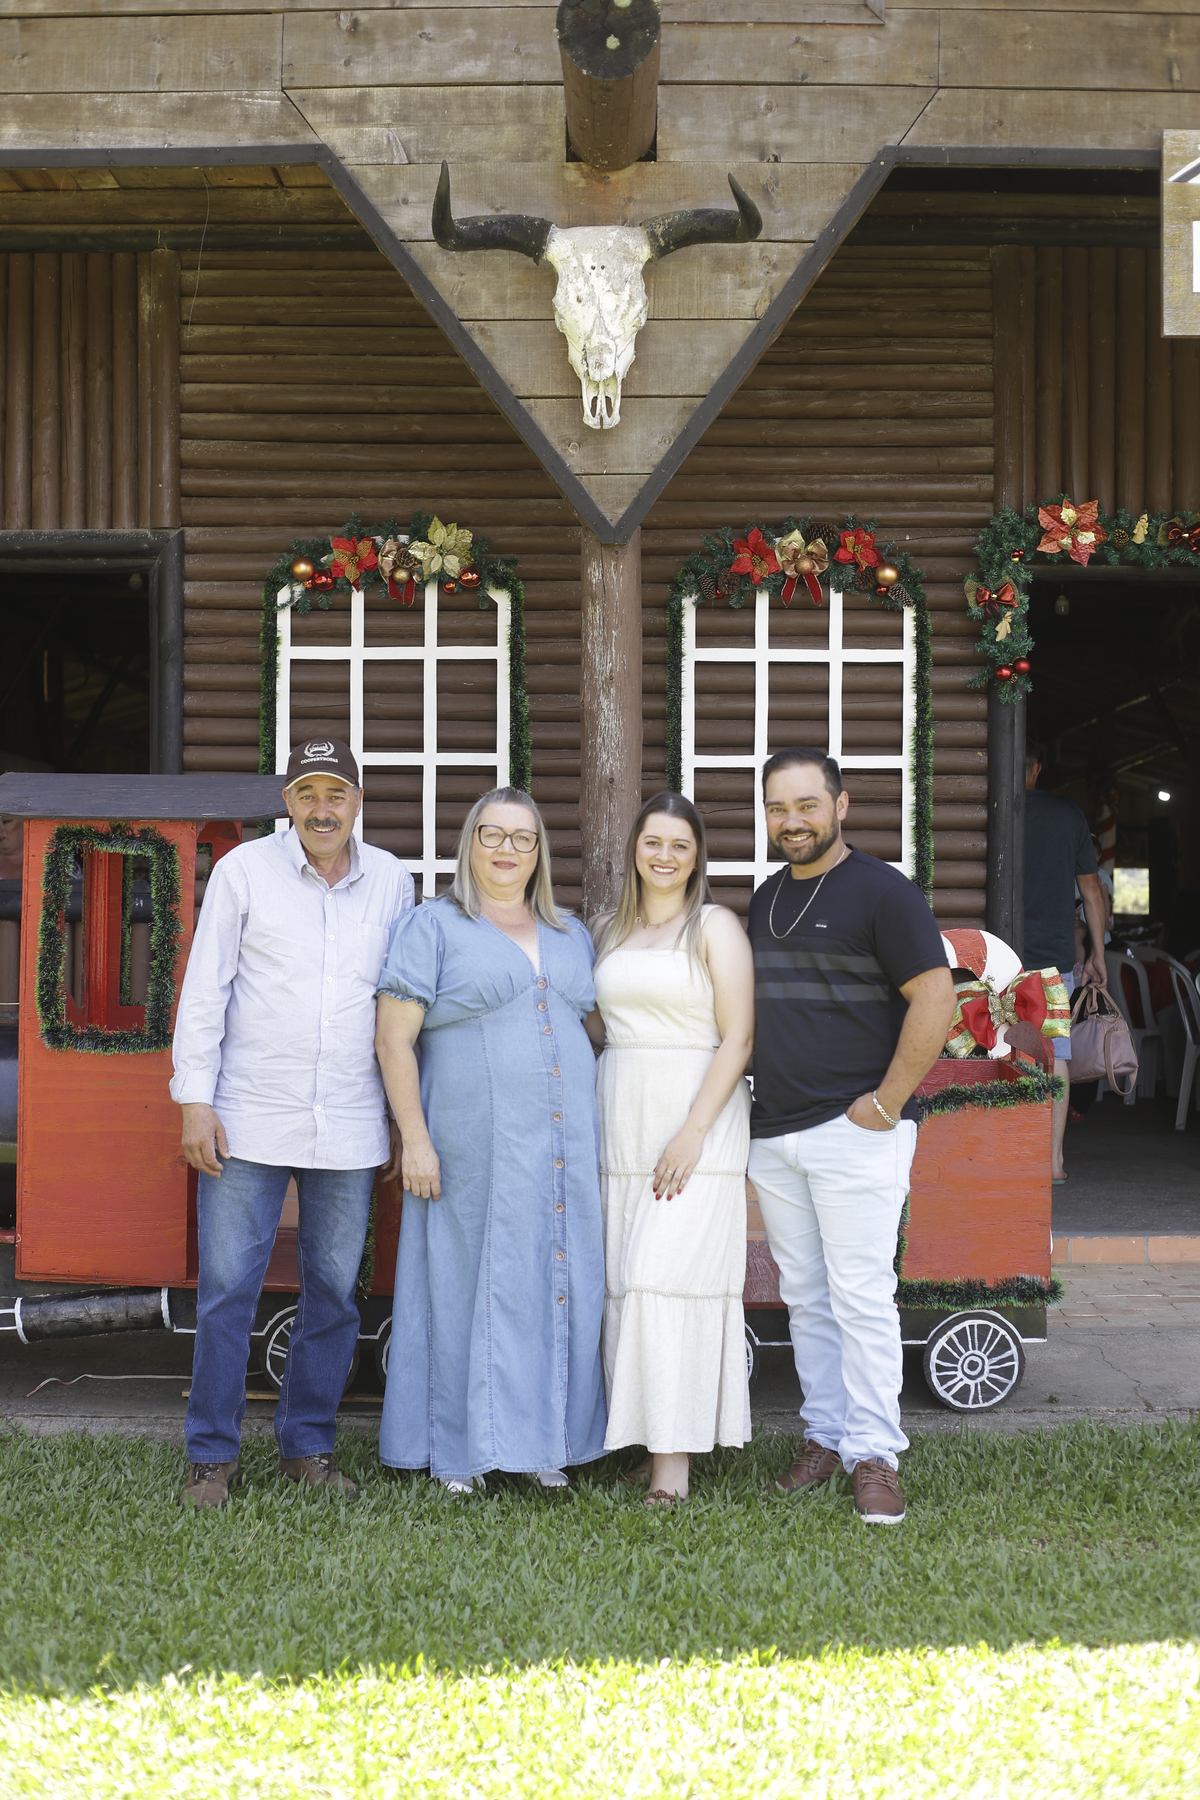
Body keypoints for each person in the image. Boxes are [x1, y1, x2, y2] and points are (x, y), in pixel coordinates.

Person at [171, 738, 413, 1510]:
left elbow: (400, 1007)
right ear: (288, 803)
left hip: (349, 1119)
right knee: (226, 1293)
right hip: (247, 1116)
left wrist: (402, 1115)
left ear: (358, 802)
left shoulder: (393, 881)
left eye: (335, 794)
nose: (322, 809)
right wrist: (194, 1099)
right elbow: (206, 989)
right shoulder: (245, 872)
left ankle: (307, 1444)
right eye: (307, 794)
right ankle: (211, 1457)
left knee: (334, 1293)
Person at [374, 787, 606, 1493]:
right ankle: (461, 1450)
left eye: (523, 838)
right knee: (462, 1283)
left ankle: (542, 1443)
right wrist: (415, 1138)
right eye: (493, 835)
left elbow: (590, 1029)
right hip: (468, 1143)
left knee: (552, 1278)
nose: (508, 849)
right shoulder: (432, 926)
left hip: (562, 1148)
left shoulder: (571, 933)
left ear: (540, 852)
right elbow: (392, 1040)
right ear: (469, 843)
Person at [746, 748, 955, 1525]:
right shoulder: (766, 899)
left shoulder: (883, 892)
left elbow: (935, 996)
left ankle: (875, 1454)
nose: (792, 821)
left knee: (861, 1296)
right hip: (775, 1134)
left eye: (807, 804)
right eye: (777, 807)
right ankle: (825, 1437)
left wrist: (888, 1103)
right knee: (805, 1297)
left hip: (856, 1129)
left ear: (841, 805)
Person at [588, 793, 755, 1508]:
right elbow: (597, 1025)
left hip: (697, 1118)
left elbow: (739, 1037)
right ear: (635, 848)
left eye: (679, 845)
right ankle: (646, 1437)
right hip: (621, 1113)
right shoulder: (608, 928)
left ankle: (673, 1468)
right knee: (627, 1284)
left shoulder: (714, 926)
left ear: (696, 857)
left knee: (669, 1280)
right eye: (653, 842)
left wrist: (693, 1131)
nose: (664, 856)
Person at [1023, 745, 1108, 1183]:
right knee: (1055, 1053)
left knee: (1001, 1047)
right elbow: (1091, 890)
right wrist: (1098, 953)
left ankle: (1010, 1153)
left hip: (994, 955)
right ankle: (1053, 1161)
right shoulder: (1068, 814)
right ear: (1038, 768)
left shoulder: (994, 808)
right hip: (1052, 957)